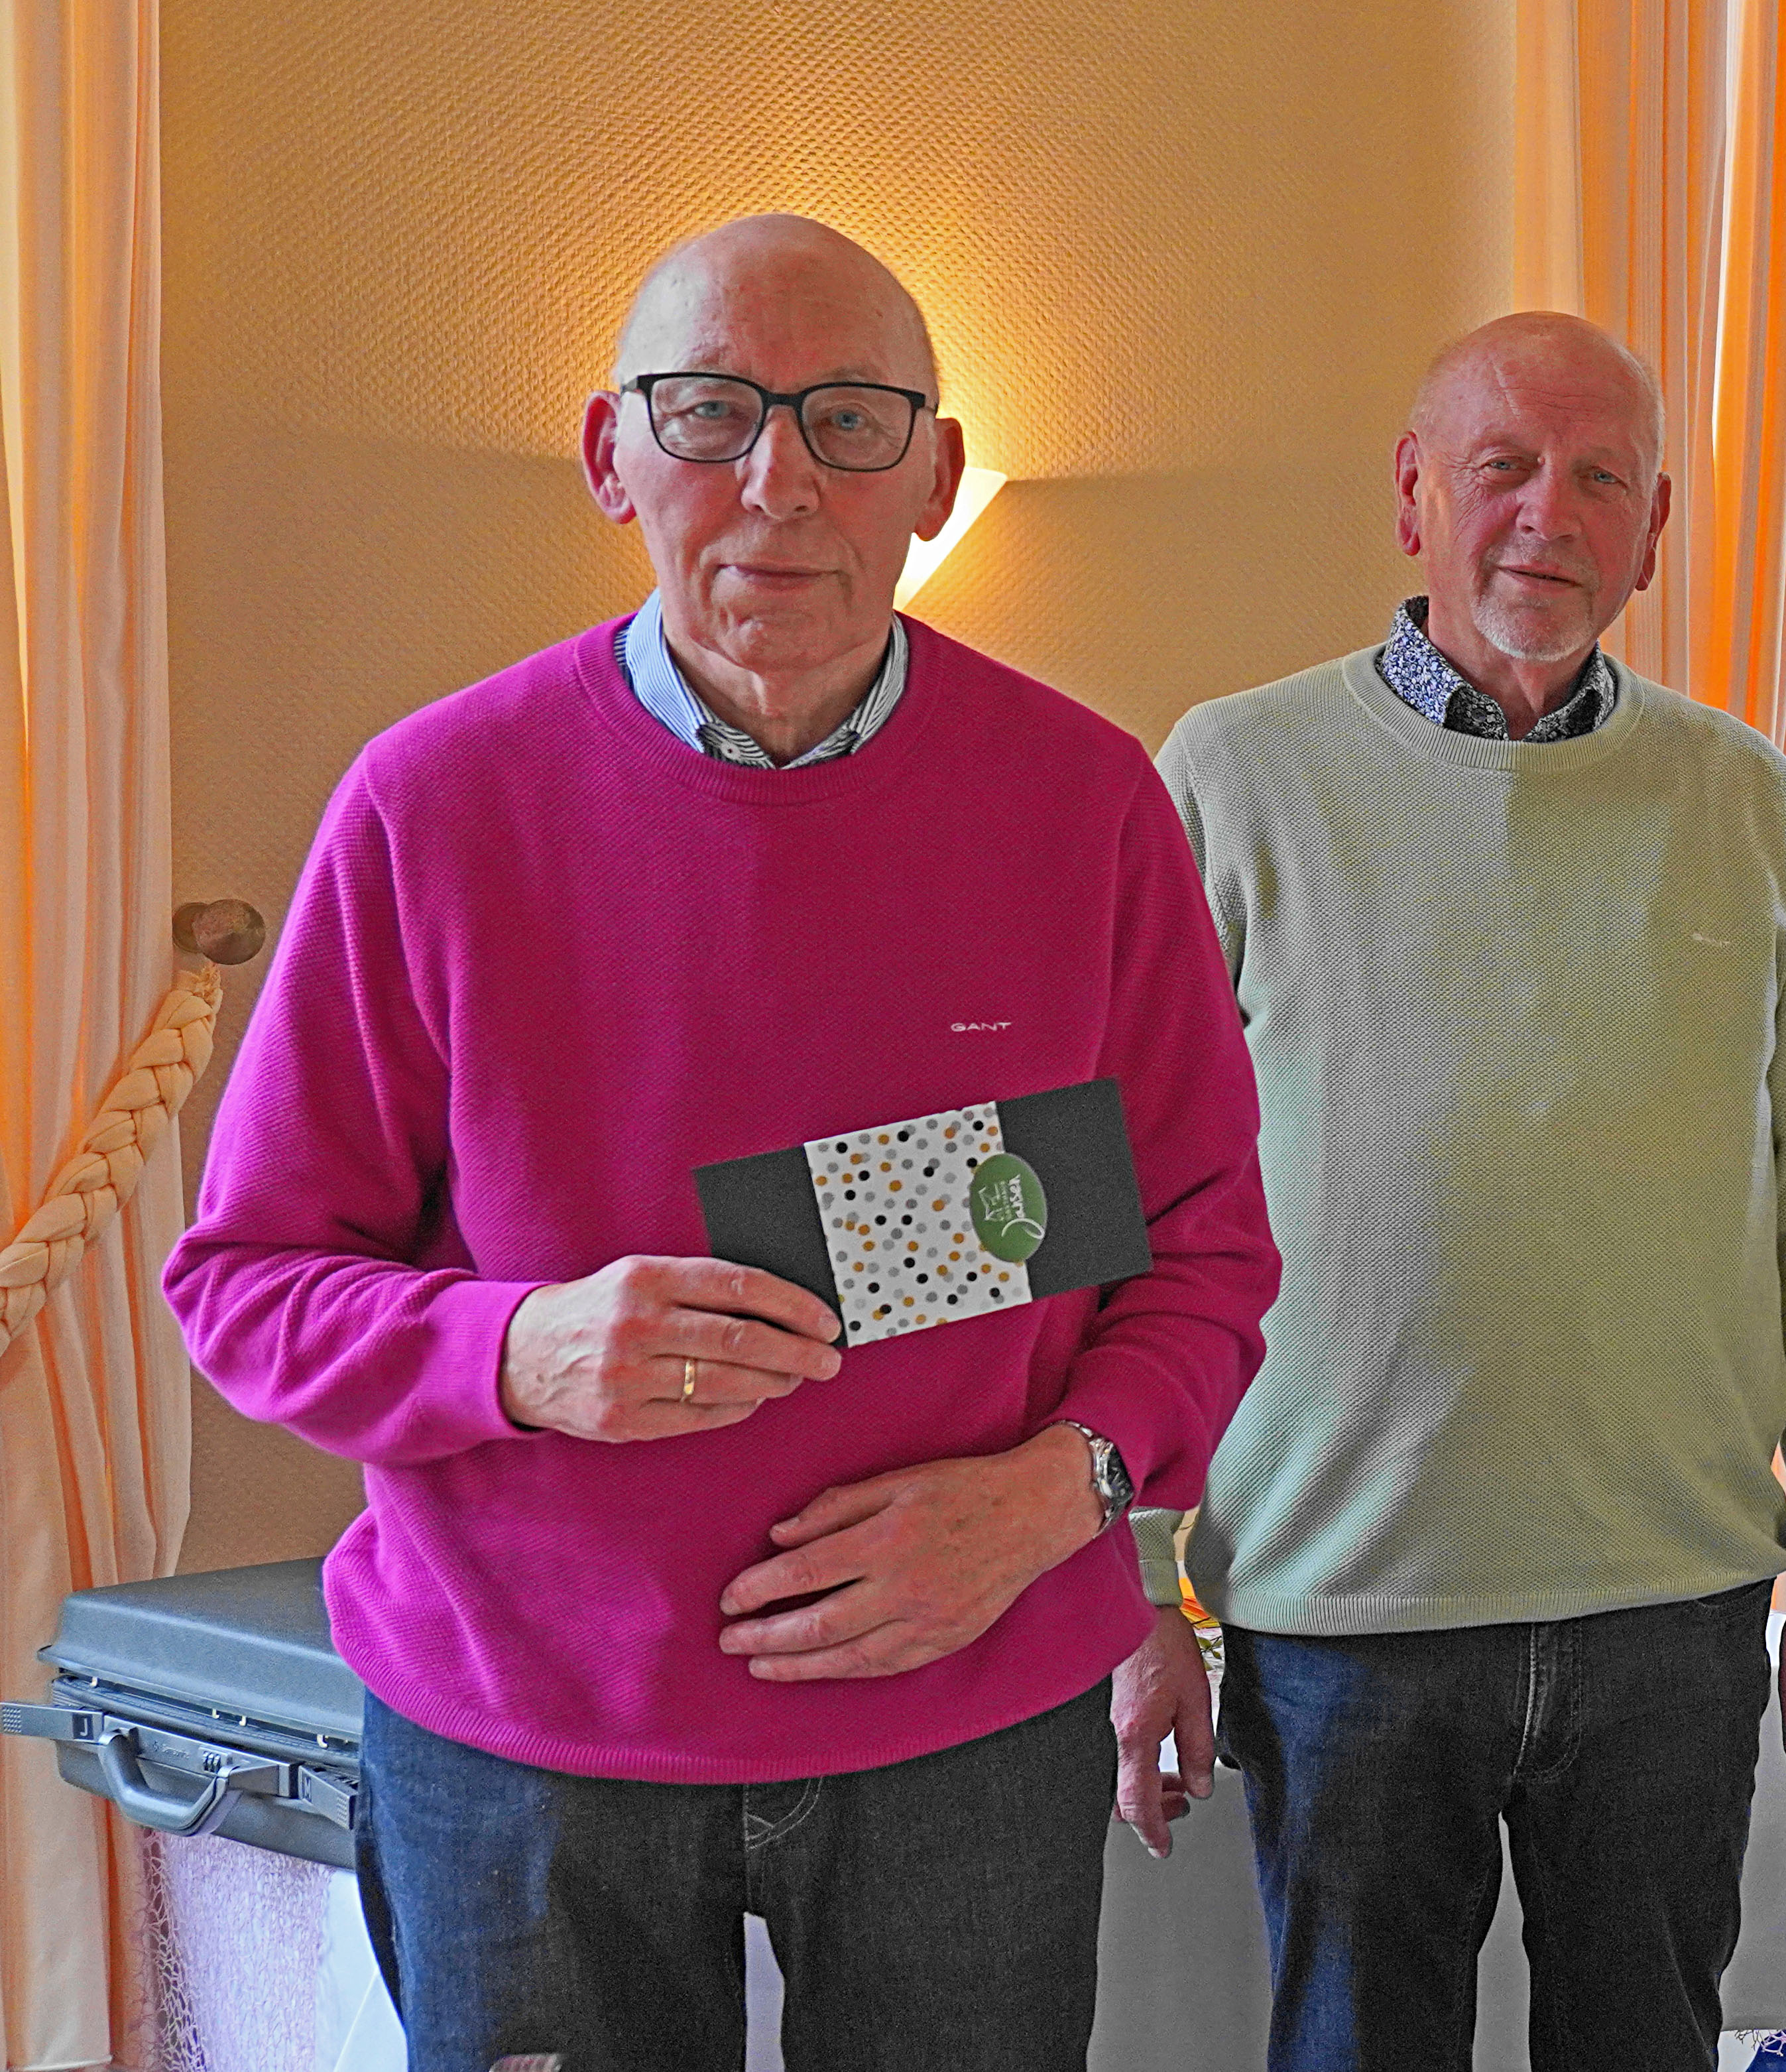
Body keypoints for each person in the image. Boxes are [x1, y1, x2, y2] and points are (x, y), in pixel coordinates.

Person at [163, 215, 1280, 2070]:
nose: (778, 480)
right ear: (614, 454)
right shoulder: (429, 808)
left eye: (848, 420)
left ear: (932, 473)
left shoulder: (1085, 805)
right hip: (523, 1742)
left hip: (968, 1717)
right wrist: (512, 1346)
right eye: (713, 412)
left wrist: (1062, 1488)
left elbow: (1204, 1251)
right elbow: (250, 1283)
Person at [1142, 311, 1786, 2070]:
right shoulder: (1230, 775)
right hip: (1341, 1611)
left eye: (1600, 479)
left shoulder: (1738, 795)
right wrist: (1131, 1577)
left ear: (1654, 529)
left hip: (1675, 1609)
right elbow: (1126, 1202)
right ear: (1412, 495)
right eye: (1500, 466)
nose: (1543, 516)